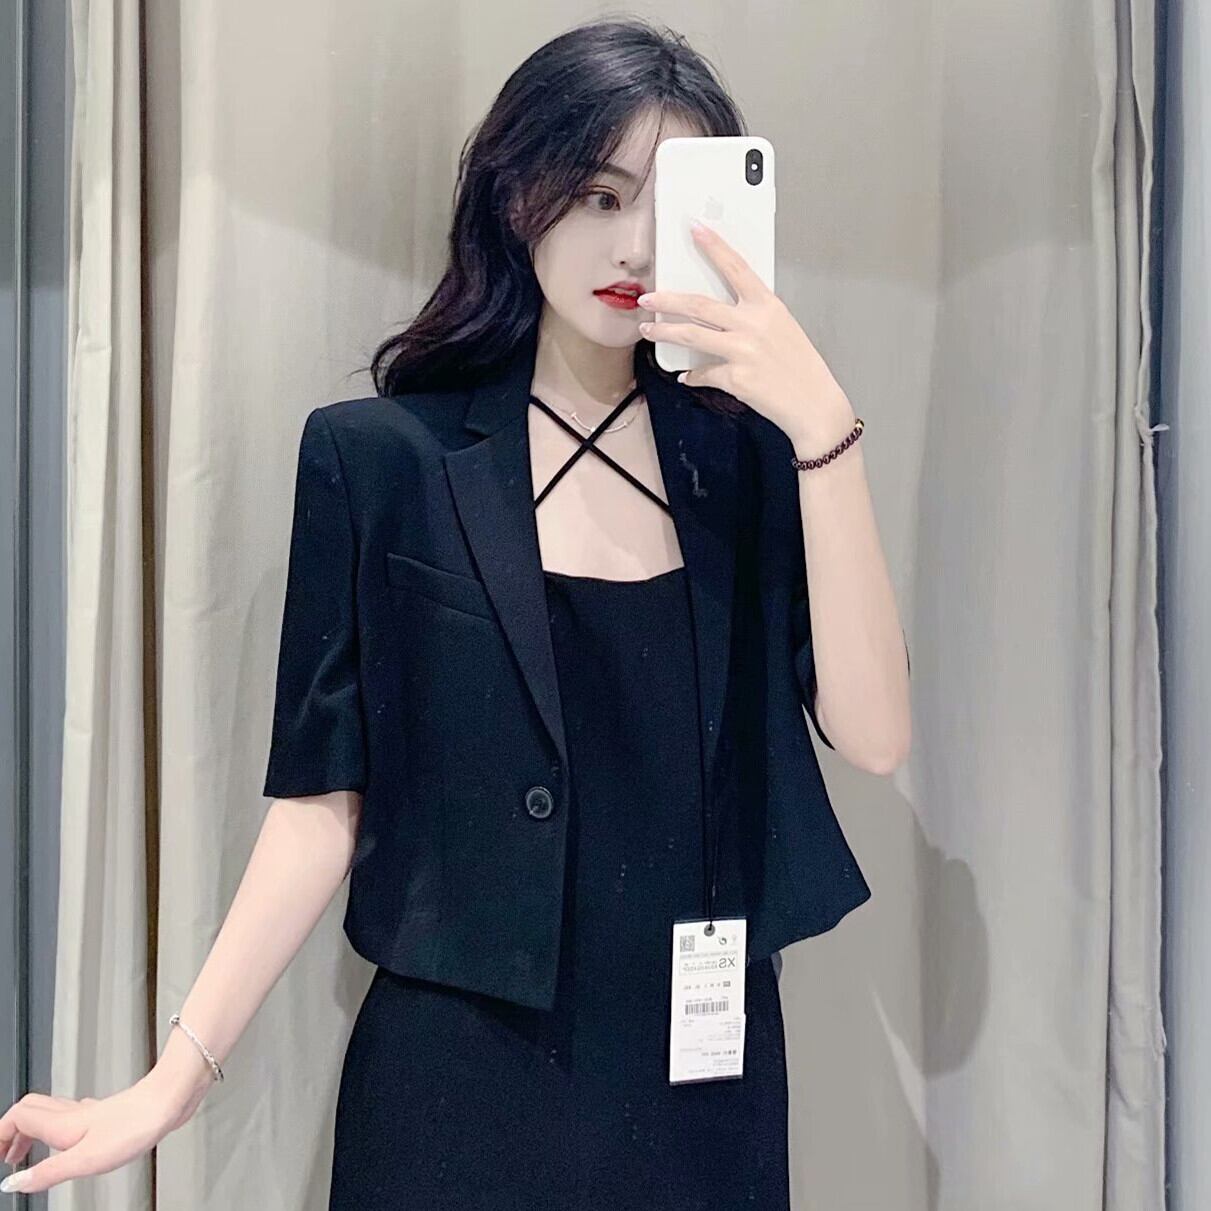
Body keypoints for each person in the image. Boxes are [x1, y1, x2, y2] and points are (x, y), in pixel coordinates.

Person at [0, 16, 910, 1206]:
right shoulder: (382, 459)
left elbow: (873, 734)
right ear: (516, 193)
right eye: (597, 193)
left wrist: (824, 433)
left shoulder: (745, 465)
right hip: (454, 1089)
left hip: (699, 1092)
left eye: (666, 202)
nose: (633, 242)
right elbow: (320, 804)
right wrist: (170, 1082)